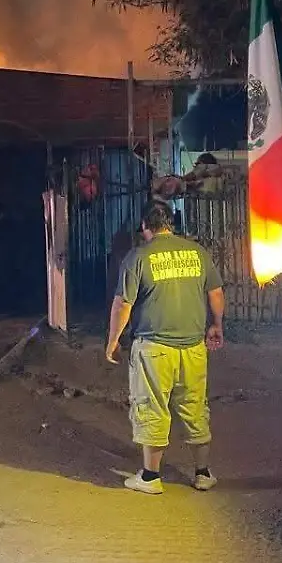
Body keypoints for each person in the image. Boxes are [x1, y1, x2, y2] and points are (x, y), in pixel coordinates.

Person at [105, 199, 225, 495]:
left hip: (154, 347)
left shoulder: (139, 256)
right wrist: (217, 324)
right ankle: (203, 473)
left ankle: (150, 477)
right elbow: (216, 292)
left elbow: (123, 304)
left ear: (145, 226)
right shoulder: (197, 253)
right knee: (195, 407)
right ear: (172, 224)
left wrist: (113, 341)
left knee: (151, 407)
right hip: (193, 346)